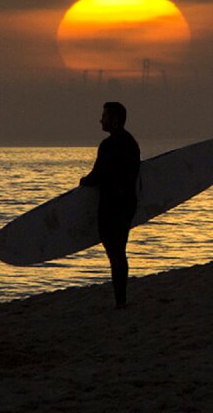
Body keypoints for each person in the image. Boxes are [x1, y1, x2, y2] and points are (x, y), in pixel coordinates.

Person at [80, 101, 141, 307]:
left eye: (104, 116)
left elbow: (97, 175)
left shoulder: (109, 145)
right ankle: (121, 300)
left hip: (112, 206)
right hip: (128, 203)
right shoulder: (131, 142)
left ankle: (120, 302)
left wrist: (84, 182)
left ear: (114, 120)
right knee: (119, 252)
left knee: (114, 253)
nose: (101, 120)